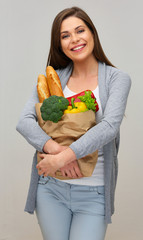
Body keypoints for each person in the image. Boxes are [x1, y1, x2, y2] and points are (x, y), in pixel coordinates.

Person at [16, 6, 131, 240]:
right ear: (59, 44)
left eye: (80, 30)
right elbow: (24, 121)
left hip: (94, 192)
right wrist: (56, 151)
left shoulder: (117, 79)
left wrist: (62, 158)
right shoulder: (53, 78)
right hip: (50, 189)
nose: (74, 39)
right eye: (65, 35)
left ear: (92, 33)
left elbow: (109, 126)